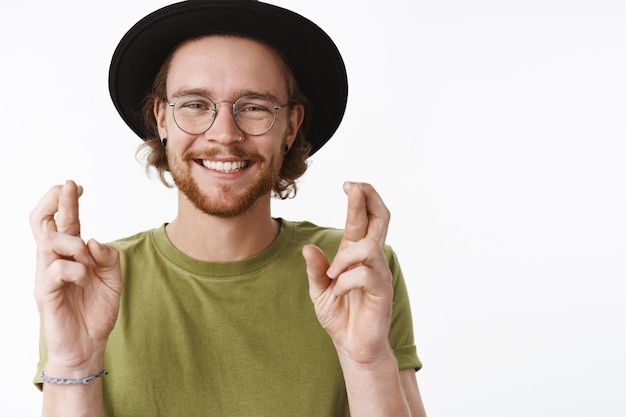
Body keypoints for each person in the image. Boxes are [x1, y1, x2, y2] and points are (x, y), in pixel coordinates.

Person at [29, 1, 427, 416]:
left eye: (254, 106)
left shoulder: (352, 272)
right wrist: (72, 364)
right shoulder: (87, 284)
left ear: (290, 126)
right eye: (196, 105)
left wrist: (368, 362)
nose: (224, 134)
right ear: (162, 119)